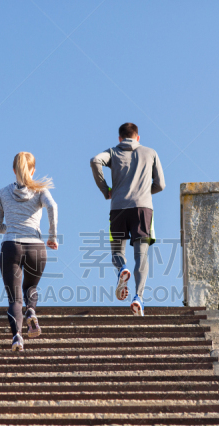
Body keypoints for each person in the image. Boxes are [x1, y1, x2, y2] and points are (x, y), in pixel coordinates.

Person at [90, 122, 165, 316]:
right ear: (137, 137)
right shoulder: (150, 152)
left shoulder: (114, 152)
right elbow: (161, 184)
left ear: (120, 138)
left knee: (117, 250)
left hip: (118, 208)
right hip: (143, 209)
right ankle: (138, 297)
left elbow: (95, 160)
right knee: (141, 255)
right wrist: (144, 192)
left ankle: (122, 269)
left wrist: (106, 189)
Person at [0, 151, 58, 351]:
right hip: (36, 247)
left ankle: (17, 338)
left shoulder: (3, 192)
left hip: (11, 247)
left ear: (13, 170)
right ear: (33, 169)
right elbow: (53, 206)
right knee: (31, 288)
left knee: (14, 298)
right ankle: (31, 311)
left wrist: (12, 228)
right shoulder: (41, 191)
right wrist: (52, 236)